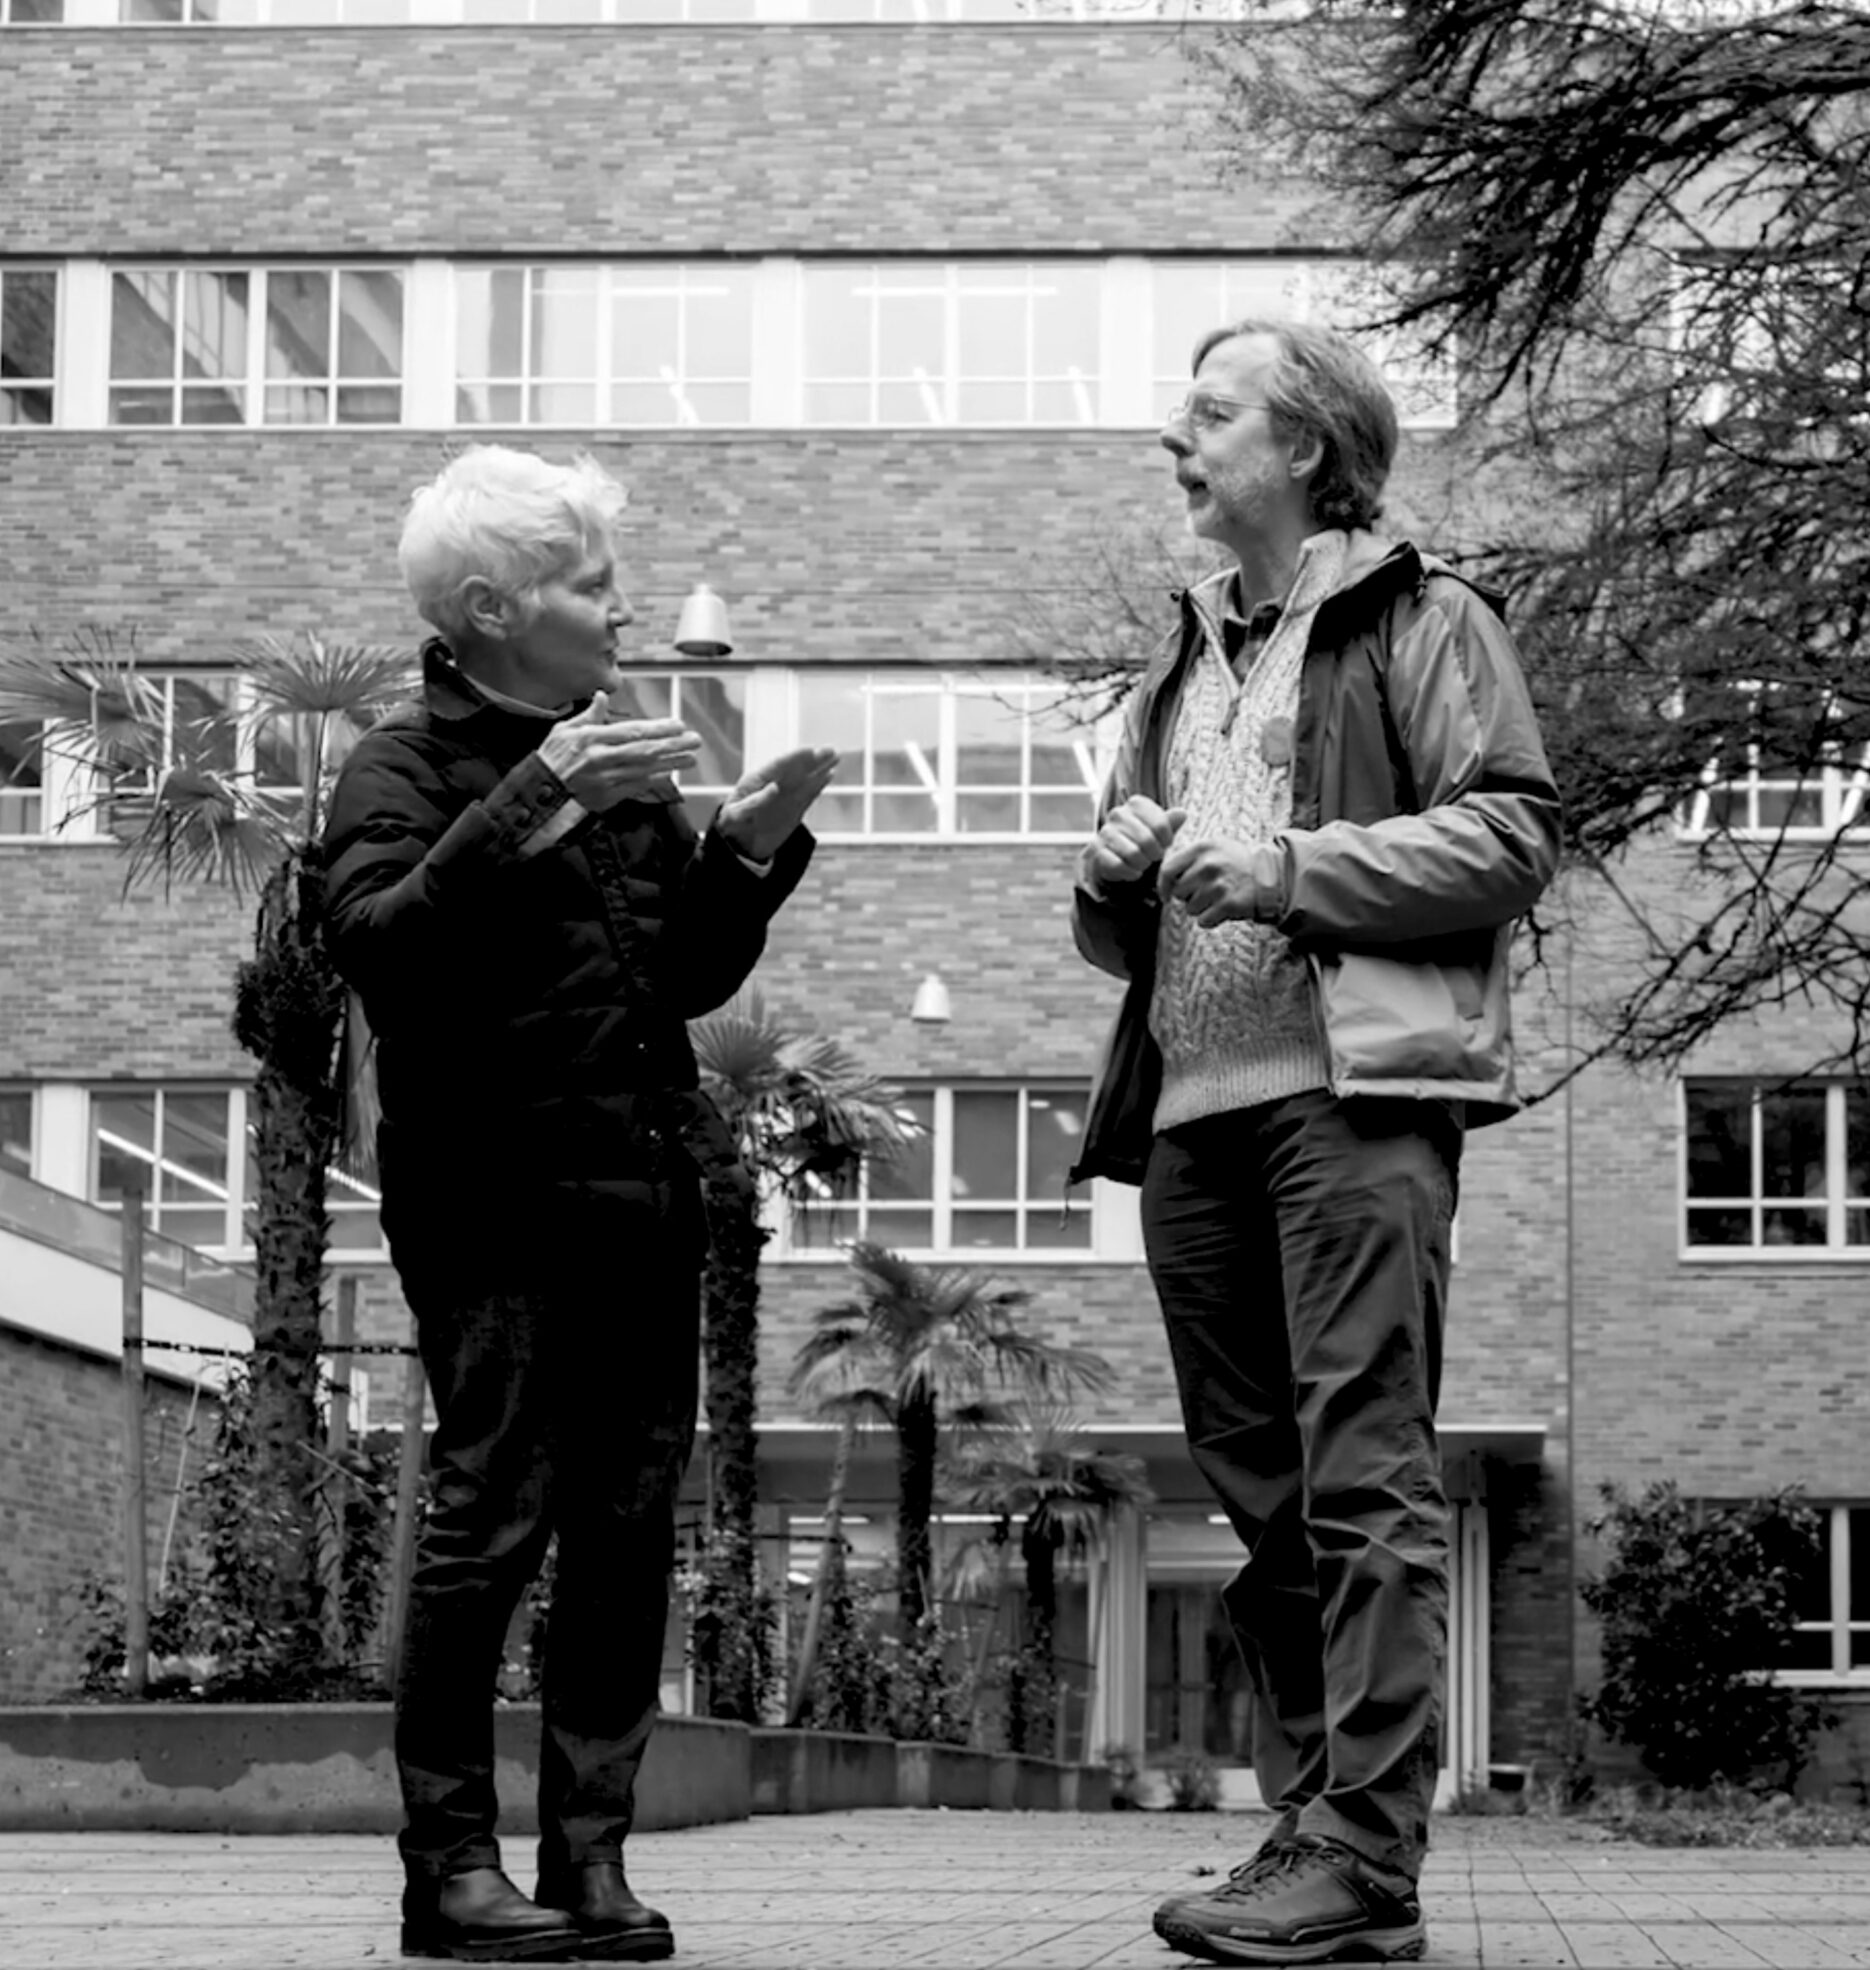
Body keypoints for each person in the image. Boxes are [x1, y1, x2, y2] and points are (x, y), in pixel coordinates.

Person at [1070, 320, 1561, 1965]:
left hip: (1349, 1104)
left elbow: (1508, 833)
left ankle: (1366, 1855)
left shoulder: (1421, 617)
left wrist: (1288, 870)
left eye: (1209, 412)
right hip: (1191, 1118)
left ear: (1304, 445)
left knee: (1362, 1478)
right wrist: (1110, 872)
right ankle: (1310, 1830)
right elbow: (1120, 930)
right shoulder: (1180, 654)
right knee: (1263, 1496)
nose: (1176, 437)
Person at [322, 444, 835, 1964]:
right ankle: (448, 1871)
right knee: (489, 1521)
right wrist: (535, 797)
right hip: (492, 1207)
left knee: (622, 1533)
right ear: (492, 609)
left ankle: (589, 1859)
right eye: (591, 585)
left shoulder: (613, 766)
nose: (621, 610)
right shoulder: (404, 767)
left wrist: (742, 850)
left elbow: (680, 974)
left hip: (642, 1204)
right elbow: (380, 947)